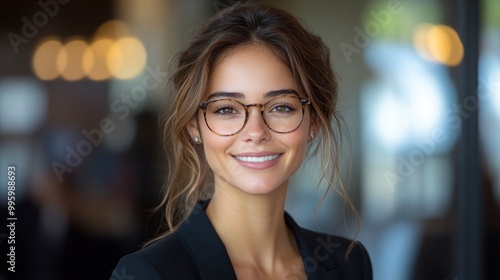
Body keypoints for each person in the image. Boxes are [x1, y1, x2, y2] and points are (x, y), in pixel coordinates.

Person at [111, 2, 372, 279]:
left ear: (315, 121)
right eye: (226, 109)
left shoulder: (349, 263)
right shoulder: (147, 274)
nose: (256, 132)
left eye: (281, 107)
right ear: (194, 125)